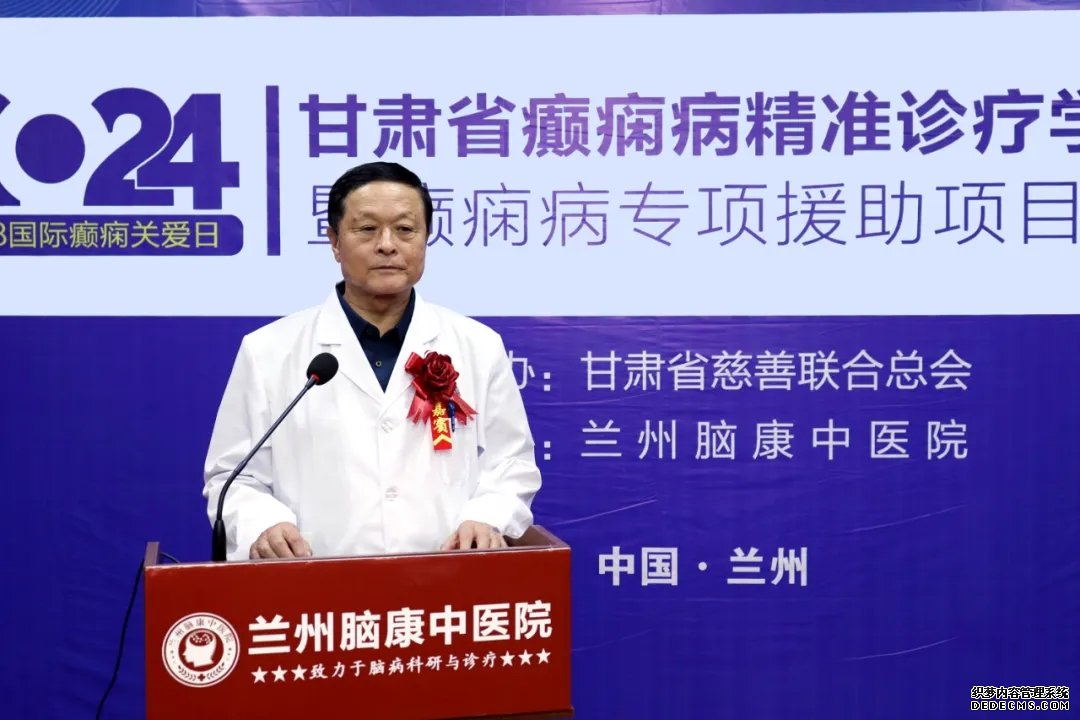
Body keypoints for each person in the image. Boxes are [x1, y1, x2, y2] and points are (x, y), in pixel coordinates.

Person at [202, 161, 542, 561]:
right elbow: (232, 477)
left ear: (426, 238)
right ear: (334, 241)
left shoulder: (478, 346)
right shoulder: (268, 351)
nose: (387, 245)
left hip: (447, 579)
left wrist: (487, 517)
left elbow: (512, 464)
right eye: (366, 229)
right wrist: (263, 523)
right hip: (315, 581)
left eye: (405, 229)